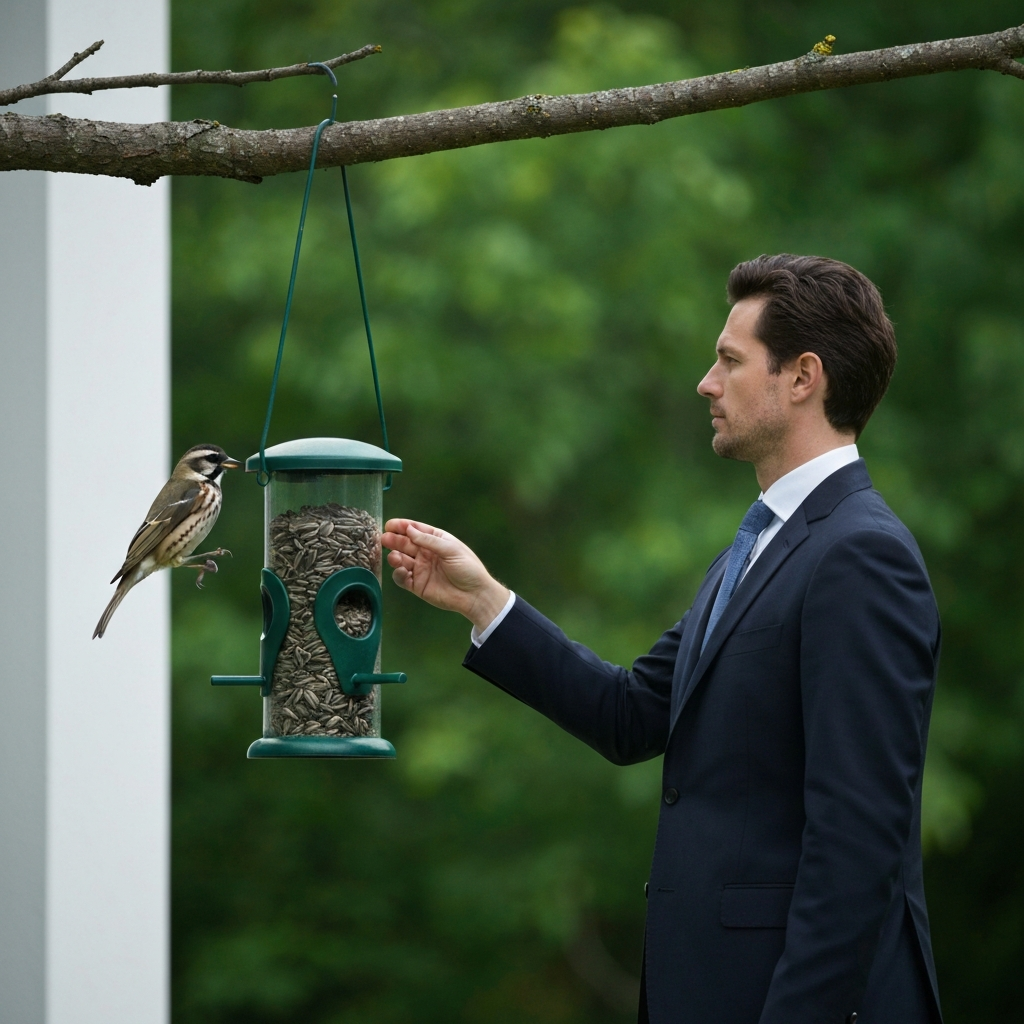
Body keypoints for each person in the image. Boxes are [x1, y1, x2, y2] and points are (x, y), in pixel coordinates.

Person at [382, 254, 942, 1024]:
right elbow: (632, 712)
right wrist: (485, 601)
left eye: (729, 360)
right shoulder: (757, 548)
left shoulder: (860, 555)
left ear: (803, 377)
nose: (707, 384)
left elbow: (857, 844)